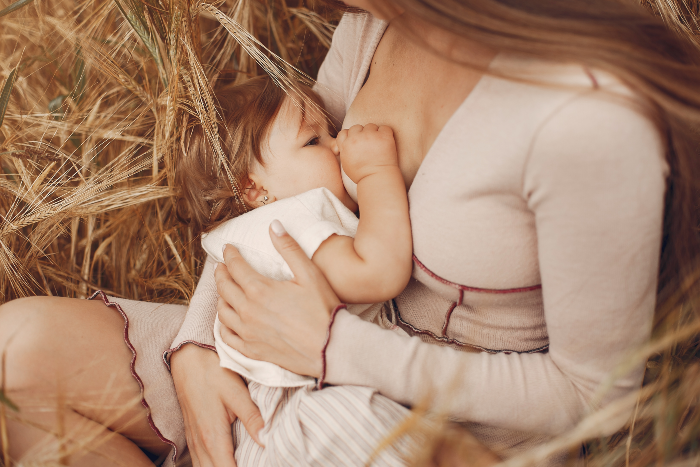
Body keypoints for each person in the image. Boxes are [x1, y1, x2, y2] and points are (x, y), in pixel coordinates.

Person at [1, 1, 699, 467]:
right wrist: (195, 347)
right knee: (16, 359)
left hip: (441, 428)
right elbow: (279, 197)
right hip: (288, 365)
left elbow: (592, 396)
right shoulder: (379, 23)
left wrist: (338, 347)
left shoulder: (590, 116)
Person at [185, 74, 416, 465]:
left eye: (330, 132)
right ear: (255, 190)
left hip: (267, 425)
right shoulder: (291, 221)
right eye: (314, 141)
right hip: (310, 416)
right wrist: (377, 172)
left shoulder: (244, 233)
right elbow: (379, 272)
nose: (338, 144)